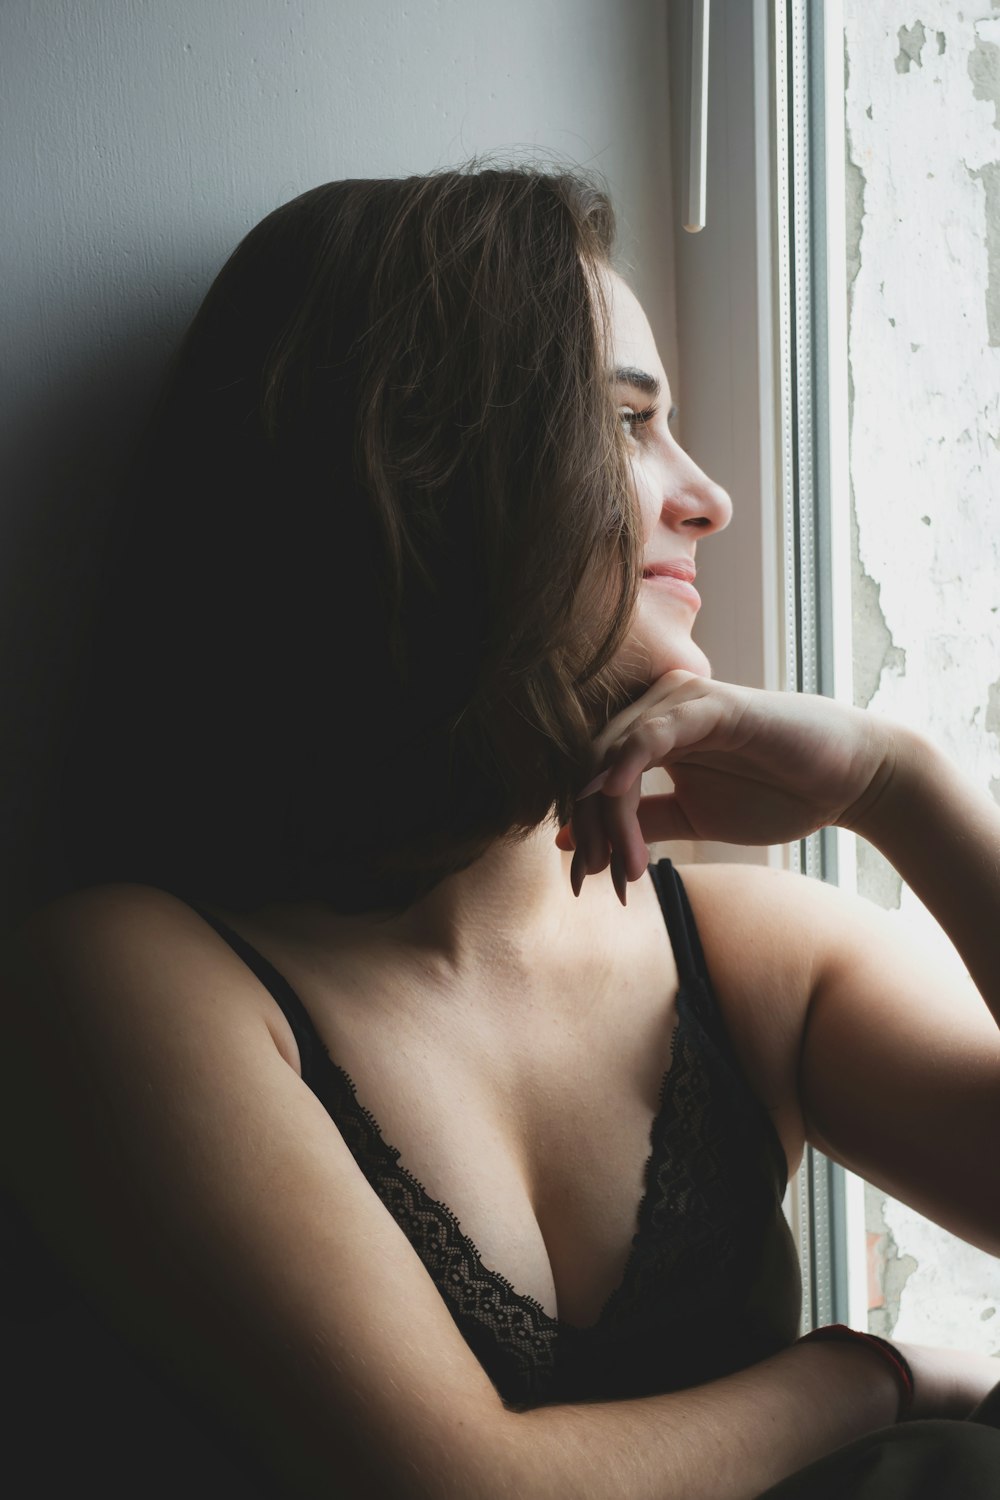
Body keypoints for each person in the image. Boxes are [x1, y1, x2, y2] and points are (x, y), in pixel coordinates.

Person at [2, 161, 999, 1499]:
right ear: (440, 466)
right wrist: (861, 1377)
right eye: (627, 424)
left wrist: (903, 791)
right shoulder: (127, 982)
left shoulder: (758, 956)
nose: (706, 498)